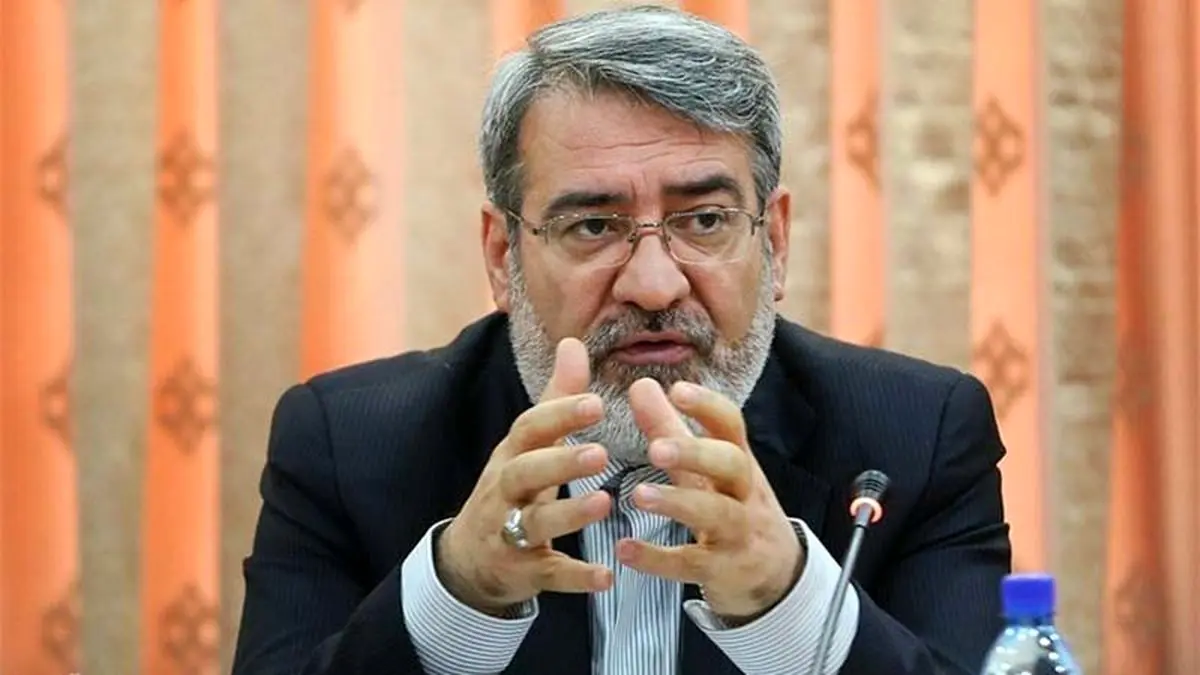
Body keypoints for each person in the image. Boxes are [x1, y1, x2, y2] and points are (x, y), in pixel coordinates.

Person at [231, 5, 1011, 674]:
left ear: (773, 241)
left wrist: (788, 600)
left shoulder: (918, 436)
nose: (654, 284)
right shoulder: (348, 444)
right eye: (593, 225)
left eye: (704, 220)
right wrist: (456, 591)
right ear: (503, 256)